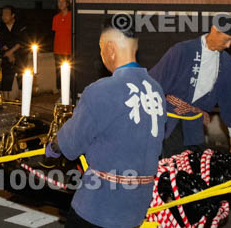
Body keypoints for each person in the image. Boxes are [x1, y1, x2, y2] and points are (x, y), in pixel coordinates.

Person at [45, 26, 165, 228]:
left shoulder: (101, 90)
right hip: (137, 205)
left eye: (101, 49)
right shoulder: (156, 89)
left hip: (101, 205)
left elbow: (70, 144)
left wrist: (51, 149)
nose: (101, 55)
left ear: (110, 48)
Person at [148, 17, 231, 155]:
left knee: (194, 167)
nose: (228, 46)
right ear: (214, 30)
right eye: (227, 39)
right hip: (170, 120)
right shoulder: (182, 50)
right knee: (171, 167)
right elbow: (153, 83)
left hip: (195, 124)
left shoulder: (226, 63)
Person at [0, 5, 26, 95]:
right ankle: (6, 100)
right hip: (6, 56)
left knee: (22, 78)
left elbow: (22, 41)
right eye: (2, 14)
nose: (3, 16)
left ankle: (23, 100)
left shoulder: (20, 25)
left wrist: (10, 51)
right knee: (6, 78)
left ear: (13, 15)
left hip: (21, 55)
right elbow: (0, 42)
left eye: (6, 14)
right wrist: (8, 53)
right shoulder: (0, 26)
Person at [52, 0, 71, 92]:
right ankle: (60, 94)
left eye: (63, 1)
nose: (61, 3)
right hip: (58, 49)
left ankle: (70, 94)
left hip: (69, 50)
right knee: (59, 73)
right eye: (59, 2)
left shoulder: (71, 16)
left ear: (67, 3)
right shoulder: (56, 17)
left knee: (70, 73)